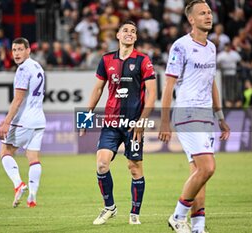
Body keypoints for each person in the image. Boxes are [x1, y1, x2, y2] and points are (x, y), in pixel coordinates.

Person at [158, 1, 230, 233]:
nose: (208, 16)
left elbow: (212, 83)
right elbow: (168, 86)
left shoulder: (211, 47)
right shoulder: (180, 46)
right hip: (187, 113)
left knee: (199, 173)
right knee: (208, 167)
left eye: (209, 12)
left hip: (206, 115)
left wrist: (220, 116)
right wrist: (165, 120)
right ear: (191, 19)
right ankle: (178, 216)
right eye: (202, 13)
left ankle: (198, 226)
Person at [79, 21, 157, 225]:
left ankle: (134, 213)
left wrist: (142, 121)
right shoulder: (106, 60)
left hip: (134, 125)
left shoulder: (143, 60)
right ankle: (109, 208)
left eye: (133, 31)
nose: (129, 34)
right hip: (111, 122)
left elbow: (152, 94)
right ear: (118, 35)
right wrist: (86, 116)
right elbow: (97, 90)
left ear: (136, 38)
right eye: (125, 31)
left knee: (134, 167)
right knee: (102, 164)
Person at [0, 37, 46, 208]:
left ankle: (18, 184)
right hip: (39, 119)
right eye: (14, 50)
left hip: (25, 120)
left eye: (20, 49)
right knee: (33, 157)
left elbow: (18, 100)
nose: (16, 53)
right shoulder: (37, 66)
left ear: (28, 50)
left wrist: (6, 122)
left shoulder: (23, 69)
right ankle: (32, 195)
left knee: (5, 151)